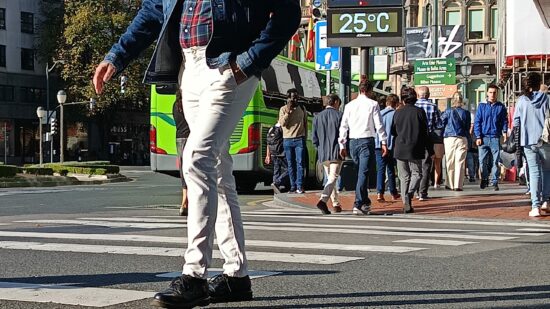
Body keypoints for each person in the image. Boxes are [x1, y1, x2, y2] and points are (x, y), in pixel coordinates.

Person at [92, 1, 301, 308]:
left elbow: (288, 12)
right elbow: (153, 11)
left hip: (230, 66)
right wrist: (117, 56)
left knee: (197, 158)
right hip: (188, 69)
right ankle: (236, 277)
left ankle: (194, 277)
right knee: (216, 168)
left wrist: (248, 62)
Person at [339, 79, 388, 215]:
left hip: (353, 141)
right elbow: (379, 125)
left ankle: (364, 201)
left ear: (360, 90)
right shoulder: (373, 104)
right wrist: (384, 142)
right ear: (370, 91)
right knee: (363, 172)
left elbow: (344, 125)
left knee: (360, 172)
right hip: (367, 140)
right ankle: (359, 203)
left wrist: (342, 144)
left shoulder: (349, 105)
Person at [513, 73, 550, 217]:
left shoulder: (522, 100)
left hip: (528, 141)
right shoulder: (547, 98)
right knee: (547, 171)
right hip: (545, 140)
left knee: (534, 173)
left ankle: (535, 206)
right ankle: (546, 201)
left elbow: (516, 122)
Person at [392, 87, 434, 213]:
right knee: (417, 174)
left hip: (400, 147)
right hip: (415, 146)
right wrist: (430, 149)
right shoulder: (419, 112)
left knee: (404, 176)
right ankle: (409, 195)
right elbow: (425, 132)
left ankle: (406, 201)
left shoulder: (397, 112)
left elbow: (393, 131)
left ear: (403, 99)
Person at [313, 94, 344, 214]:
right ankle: (323, 200)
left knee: (330, 178)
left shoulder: (317, 117)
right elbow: (343, 135)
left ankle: (336, 204)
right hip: (336, 151)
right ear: (335, 102)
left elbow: (314, 138)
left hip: (323, 152)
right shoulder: (340, 116)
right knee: (333, 177)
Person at [474, 84, 508, 191]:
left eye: (494, 92)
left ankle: (494, 181)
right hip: (483, 138)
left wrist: (505, 132)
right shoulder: (482, 106)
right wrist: (478, 136)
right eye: (490, 92)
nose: (492, 94)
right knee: (482, 161)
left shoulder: (501, 107)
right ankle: (484, 179)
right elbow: (477, 122)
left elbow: (504, 121)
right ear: (487, 93)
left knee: (495, 161)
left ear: (497, 94)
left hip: (495, 137)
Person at [415, 86, 443, 200]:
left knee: (416, 165)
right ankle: (423, 192)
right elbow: (439, 124)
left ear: (418, 95)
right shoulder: (433, 107)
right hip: (428, 138)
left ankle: (416, 190)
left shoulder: (414, 106)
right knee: (426, 165)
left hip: (416, 139)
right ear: (428, 95)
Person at [279, 88, 308, 194]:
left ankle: (299, 186)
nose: (295, 100)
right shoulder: (283, 109)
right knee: (290, 164)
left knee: (300, 163)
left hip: (299, 139)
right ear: (288, 99)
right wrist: (288, 111)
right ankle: (292, 186)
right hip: (287, 140)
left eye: (296, 97)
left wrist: (304, 137)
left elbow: (305, 124)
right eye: (292, 98)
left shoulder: (302, 108)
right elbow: (282, 123)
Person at [441, 92, 471, 191]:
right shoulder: (466, 113)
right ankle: (458, 185)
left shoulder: (448, 111)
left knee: (450, 161)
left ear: (452, 100)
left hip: (449, 138)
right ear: (462, 101)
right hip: (462, 138)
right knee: (460, 162)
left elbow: (441, 123)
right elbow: (467, 127)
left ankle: (449, 183)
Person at [376, 94, 401, 202]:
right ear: (396, 104)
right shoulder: (395, 114)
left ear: (387, 103)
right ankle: (393, 192)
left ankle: (379, 193)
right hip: (391, 145)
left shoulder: (379, 114)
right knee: (391, 169)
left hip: (378, 144)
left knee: (380, 169)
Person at [173, 89, 190, 216]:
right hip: (190, 136)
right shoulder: (189, 103)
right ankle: (189, 199)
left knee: (183, 170)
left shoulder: (175, 106)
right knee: (194, 169)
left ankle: (184, 199)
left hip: (179, 138)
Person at [265, 123, 289, 194]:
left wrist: (268, 155)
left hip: (273, 154)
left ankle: (275, 190)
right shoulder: (282, 128)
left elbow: (268, 143)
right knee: (289, 169)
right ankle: (277, 183)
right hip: (281, 153)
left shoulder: (271, 129)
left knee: (276, 171)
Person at [466, 106, 479, 183]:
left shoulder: (476, 131)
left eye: (472, 125)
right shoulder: (467, 131)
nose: (471, 126)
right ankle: (471, 176)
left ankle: (476, 174)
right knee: (470, 163)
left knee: (476, 163)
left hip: (475, 149)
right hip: (469, 149)